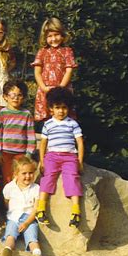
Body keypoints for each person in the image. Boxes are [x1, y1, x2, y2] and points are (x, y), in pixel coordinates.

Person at [36, 87, 84, 228]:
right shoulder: (48, 124)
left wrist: (80, 161)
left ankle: (76, 211)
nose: (61, 111)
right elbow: (43, 143)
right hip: (52, 156)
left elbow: (80, 143)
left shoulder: (72, 123)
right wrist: (42, 160)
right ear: (51, 108)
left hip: (69, 157)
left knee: (72, 178)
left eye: (64, 107)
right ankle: (41, 209)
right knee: (48, 178)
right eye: (57, 107)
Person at [31, 17, 78, 123]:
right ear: (45, 37)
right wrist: (44, 87)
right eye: (50, 36)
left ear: (62, 35)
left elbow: (69, 71)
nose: (53, 39)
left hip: (63, 90)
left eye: (56, 35)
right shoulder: (42, 52)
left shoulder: (67, 51)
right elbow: (37, 72)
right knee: (47, 120)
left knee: (64, 117)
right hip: (46, 91)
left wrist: (60, 88)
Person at [1, 156, 43, 256]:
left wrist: (27, 222)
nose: (28, 176)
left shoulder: (36, 188)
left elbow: (36, 208)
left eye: (31, 173)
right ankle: (8, 249)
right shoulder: (9, 187)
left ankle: (37, 254)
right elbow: (6, 202)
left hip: (29, 218)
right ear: (16, 174)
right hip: (13, 217)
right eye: (24, 173)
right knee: (10, 234)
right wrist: (8, 215)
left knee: (32, 237)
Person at [0, 80, 36, 185]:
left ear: (24, 97)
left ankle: (20, 200)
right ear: (5, 97)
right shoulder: (3, 113)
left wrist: (29, 154)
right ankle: (7, 201)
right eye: (12, 95)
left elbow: (31, 136)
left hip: (21, 154)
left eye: (19, 95)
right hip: (6, 153)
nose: (15, 98)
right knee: (7, 179)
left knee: (20, 178)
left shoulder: (26, 114)